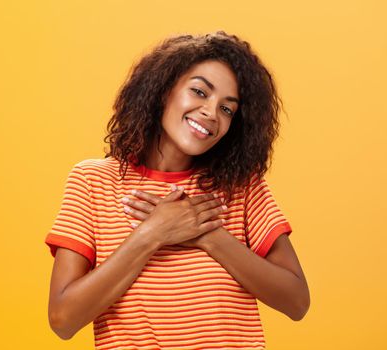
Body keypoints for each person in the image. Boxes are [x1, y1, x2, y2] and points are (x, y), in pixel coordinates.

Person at [45, 31, 310, 349]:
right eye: (199, 92)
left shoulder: (241, 186)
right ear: (162, 91)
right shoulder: (92, 182)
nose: (211, 113)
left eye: (227, 109)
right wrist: (152, 233)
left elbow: (296, 302)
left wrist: (207, 236)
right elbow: (63, 319)